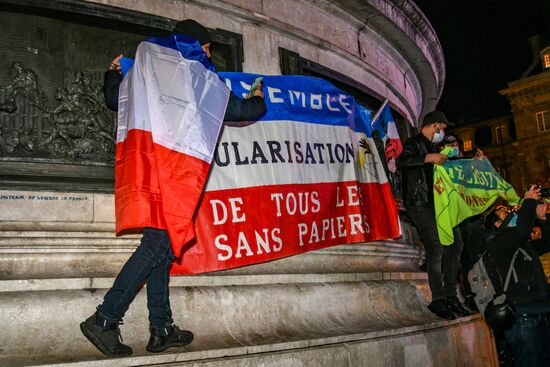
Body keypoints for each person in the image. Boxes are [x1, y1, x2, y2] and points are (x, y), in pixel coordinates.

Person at [80, 19, 266, 358]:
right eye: (207, 48)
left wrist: (113, 74)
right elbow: (241, 109)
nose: (208, 55)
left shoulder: (146, 67)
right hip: (173, 173)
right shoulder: (195, 73)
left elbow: (112, 99)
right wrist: (258, 96)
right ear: (195, 44)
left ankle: (161, 328)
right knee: (156, 246)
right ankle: (104, 319)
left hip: (147, 168)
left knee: (162, 249)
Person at [397, 111, 469, 320]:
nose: (444, 131)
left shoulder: (439, 147)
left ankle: (450, 295)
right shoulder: (414, 143)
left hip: (441, 203)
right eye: (443, 128)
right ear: (435, 125)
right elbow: (402, 161)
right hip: (421, 203)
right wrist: (428, 158)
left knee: (456, 243)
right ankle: (438, 298)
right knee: (436, 245)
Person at [483, 185, 550, 367]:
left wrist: (542, 217)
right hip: (522, 318)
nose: (512, 212)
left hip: (540, 314)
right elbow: (522, 230)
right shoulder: (497, 244)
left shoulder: (520, 245)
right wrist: (528, 200)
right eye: (505, 212)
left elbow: (547, 242)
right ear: (497, 224)